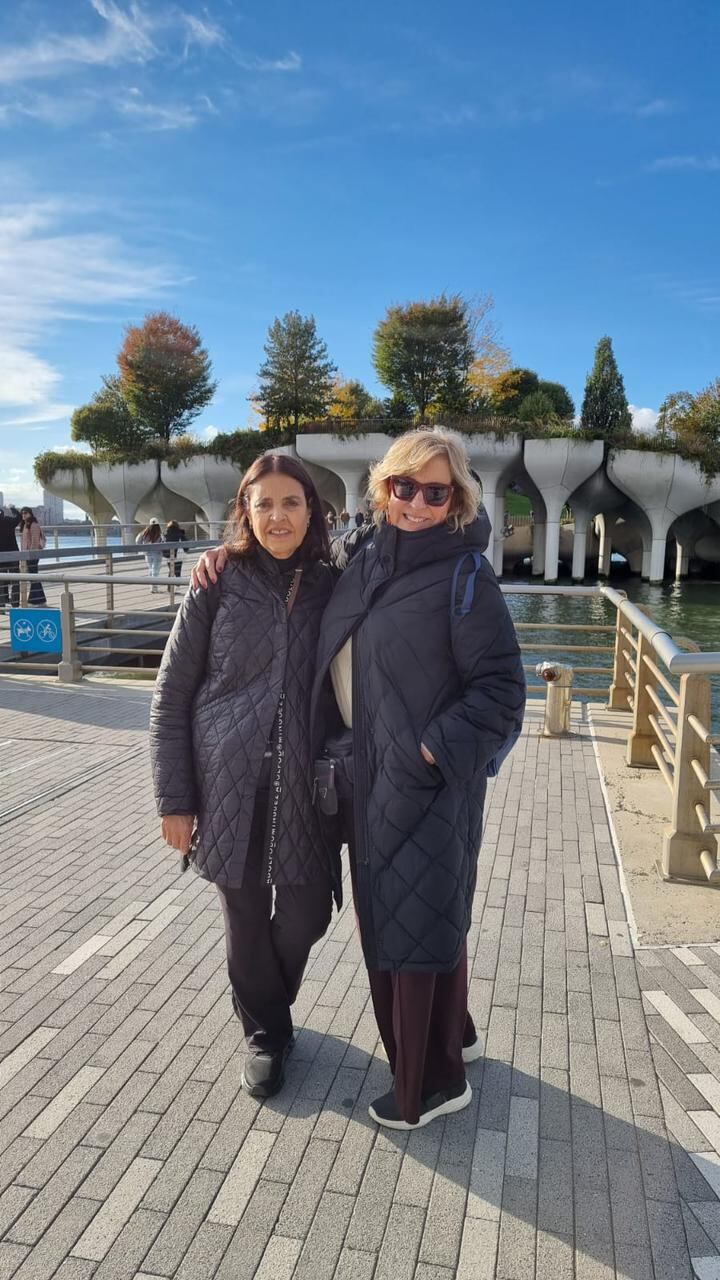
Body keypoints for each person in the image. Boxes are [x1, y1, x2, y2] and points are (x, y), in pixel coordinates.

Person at [193, 428, 526, 1131]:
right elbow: (294, 565)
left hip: (423, 786)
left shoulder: (466, 575)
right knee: (410, 921)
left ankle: (433, 1083)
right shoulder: (363, 554)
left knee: (411, 929)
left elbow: (501, 695)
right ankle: (448, 1038)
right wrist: (226, 555)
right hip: (363, 784)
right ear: (382, 488)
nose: (416, 502)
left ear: (456, 498)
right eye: (404, 486)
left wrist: (428, 755)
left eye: (436, 491)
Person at [150, 454, 340, 1101]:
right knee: (247, 914)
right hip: (227, 783)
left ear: (312, 510)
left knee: (307, 915)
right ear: (245, 511)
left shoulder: (331, 581)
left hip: (307, 786)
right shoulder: (218, 579)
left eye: (292, 502)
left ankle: (268, 1010)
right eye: (265, 504)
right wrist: (175, 799)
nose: (278, 516)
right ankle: (265, 1035)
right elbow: (172, 696)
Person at [18, 507, 47, 605]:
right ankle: (41, 600)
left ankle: (33, 600)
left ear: (30, 513)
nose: (23, 515)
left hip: (32, 555)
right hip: (27, 554)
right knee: (34, 577)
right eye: (22, 513)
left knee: (33, 577)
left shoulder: (33, 525)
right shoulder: (26, 524)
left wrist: (31, 555)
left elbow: (34, 541)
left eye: (25, 513)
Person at [0, 505, 21, 609]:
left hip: (0, 557)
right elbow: (19, 517)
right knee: (15, 580)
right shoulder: (8, 521)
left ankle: (2, 604)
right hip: (13, 554)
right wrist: (12, 508)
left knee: (1, 581)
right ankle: (15, 603)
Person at [135, 519, 163, 592]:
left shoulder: (145, 532)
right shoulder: (159, 533)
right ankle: (154, 588)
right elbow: (164, 541)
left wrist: (143, 548)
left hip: (147, 554)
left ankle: (152, 587)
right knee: (155, 571)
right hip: (158, 554)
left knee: (151, 570)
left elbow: (137, 541)